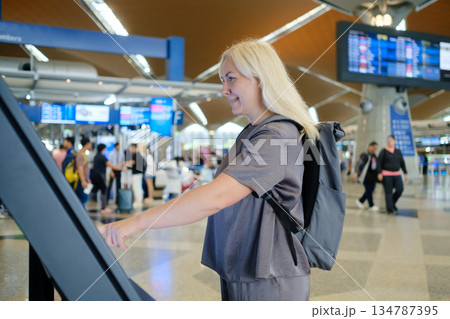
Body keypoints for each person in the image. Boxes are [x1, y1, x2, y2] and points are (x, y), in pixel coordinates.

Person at [99, 39, 319, 301]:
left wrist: (134, 223)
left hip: (270, 279)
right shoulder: (254, 132)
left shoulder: (277, 136)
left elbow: (215, 197)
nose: (224, 89)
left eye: (231, 79)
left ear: (260, 78)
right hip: (248, 271)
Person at [92, 144, 126, 214]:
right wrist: (121, 168)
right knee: (104, 190)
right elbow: (111, 165)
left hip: (95, 175)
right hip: (100, 175)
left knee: (95, 190)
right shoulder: (102, 157)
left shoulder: (96, 156)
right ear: (103, 149)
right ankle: (103, 208)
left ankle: (84, 202)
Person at [377, 135, 408, 214]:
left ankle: (392, 203)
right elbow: (379, 162)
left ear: (395, 141)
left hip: (397, 174)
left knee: (400, 189)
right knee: (388, 192)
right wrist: (379, 172)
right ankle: (390, 209)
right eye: (388, 140)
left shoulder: (398, 151)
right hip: (386, 175)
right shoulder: (384, 151)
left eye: (390, 140)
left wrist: (405, 173)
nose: (389, 142)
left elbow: (402, 163)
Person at [353, 141, 379, 211]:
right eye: (374, 147)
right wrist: (356, 172)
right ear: (370, 146)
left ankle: (360, 201)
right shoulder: (365, 155)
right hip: (366, 176)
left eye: (375, 148)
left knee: (370, 190)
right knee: (369, 190)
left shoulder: (374, 156)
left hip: (373, 177)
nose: (374, 149)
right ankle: (371, 205)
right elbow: (360, 164)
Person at [124, 144, 147, 208]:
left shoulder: (136, 155)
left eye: (130, 148)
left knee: (137, 188)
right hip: (138, 174)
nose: (130, 150)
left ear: (134, 148)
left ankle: (138, 202)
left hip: (136, 174)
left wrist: (124, 163)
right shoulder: (138, 154)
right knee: (138, 187)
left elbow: (131, 163)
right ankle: (138, 201)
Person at [75, 137, 92, 206]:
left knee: (83, 198)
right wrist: (83, 181)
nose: (91, 145)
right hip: (80, 180)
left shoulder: (83, 154)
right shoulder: (80, 155)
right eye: (90, 144)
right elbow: (80, 168)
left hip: (84, 179)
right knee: (84, 198)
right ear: (87, 144)